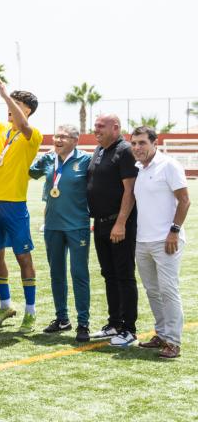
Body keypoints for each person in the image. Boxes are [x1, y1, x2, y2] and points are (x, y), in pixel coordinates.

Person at [0, 78, 43, 333]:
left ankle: (30, 310)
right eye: (10, 103)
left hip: (14, 204)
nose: (10, 107)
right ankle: (5, 305)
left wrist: (5, 95)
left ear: (26, 109)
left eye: (17, 104)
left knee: (22, 256)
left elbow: (25, 126)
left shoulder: (33, 134)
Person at [130, 126, 190, 358]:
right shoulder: (140, 169)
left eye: (142, 143)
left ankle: (173, 342)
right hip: (142, 241)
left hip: (167, 241)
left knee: (168, 290)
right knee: (153, 291)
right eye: (134, 143)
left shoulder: (169, 165)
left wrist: (174, 231)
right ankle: (162, 334)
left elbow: (184, 201)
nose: (137, 148)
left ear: (155, 143)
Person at [29, 124, 92, 342]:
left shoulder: (86, 160)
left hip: (78, 226)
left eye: (64, 137)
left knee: (79, 273)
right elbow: (29, 172)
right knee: (57, 273)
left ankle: (83, 323)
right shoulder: (49, 159)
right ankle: (62, 318)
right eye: (56, 136)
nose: (58, 140)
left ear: (76, 140)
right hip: (53, 225)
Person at [87, 114, 139, 347]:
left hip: (120, 224)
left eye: (101, 126)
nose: (95, 129)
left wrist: (120, 223)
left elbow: (130, 191)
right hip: (100, 223)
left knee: (124, 276)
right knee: (109, 275)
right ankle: (114, 324)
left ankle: (129, 328)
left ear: (115, 128)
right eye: (95, 125)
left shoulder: (125, 150)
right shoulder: (99, 149)